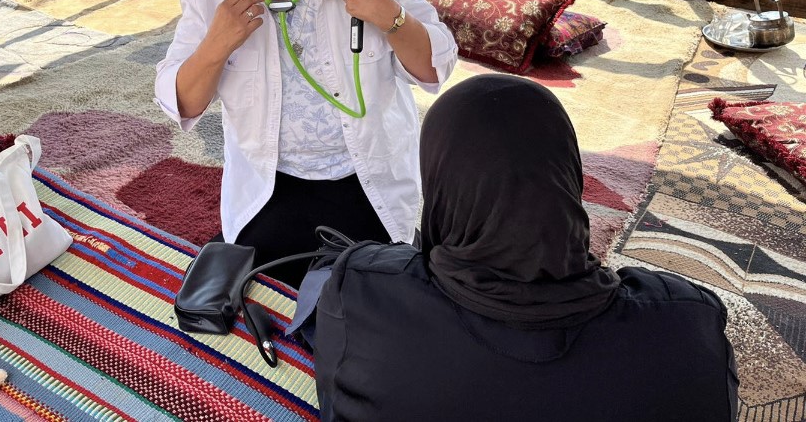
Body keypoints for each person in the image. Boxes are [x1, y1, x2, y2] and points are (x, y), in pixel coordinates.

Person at [301, 75, 738, 421]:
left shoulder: (364, 291)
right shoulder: (688, 324)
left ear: (438, 179)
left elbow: (331, 394)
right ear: (568, 176)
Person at [154, 0, 458, 288]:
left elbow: (434, 68)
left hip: (365, 172)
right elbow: (183, 103)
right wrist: (216, 44)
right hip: (270, 178)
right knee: (264, 292)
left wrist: (390, 17)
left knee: (376, 292)